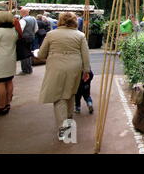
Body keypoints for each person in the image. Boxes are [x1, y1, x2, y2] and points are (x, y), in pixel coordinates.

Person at [37, 12, 91, 141]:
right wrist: (86, 70)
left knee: (59, 97)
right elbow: (86, 55)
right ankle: (69, 119)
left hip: (56, 67)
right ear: (74, 21)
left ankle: (65, 130)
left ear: (60, 21)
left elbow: (41, 54)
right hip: (74, 67)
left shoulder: (51, 34)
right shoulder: (80, 35)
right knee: (70, 93)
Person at [0, 11, 19, 116]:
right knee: (9, 81)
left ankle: (1, 106)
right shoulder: (13, 31)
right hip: (10, 60)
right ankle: (8, 104)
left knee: (0, 83)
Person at [19, 8, 38, 75]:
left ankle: (25, 70)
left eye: (20, 12)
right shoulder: (33, 19)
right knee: (29, 53)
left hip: (24, 38)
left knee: (23, 54)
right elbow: (36, 29)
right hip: (31, 37)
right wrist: (31, 34)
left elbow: (20, 30)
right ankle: (29, 69)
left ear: (22, 13)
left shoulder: (23, 20)